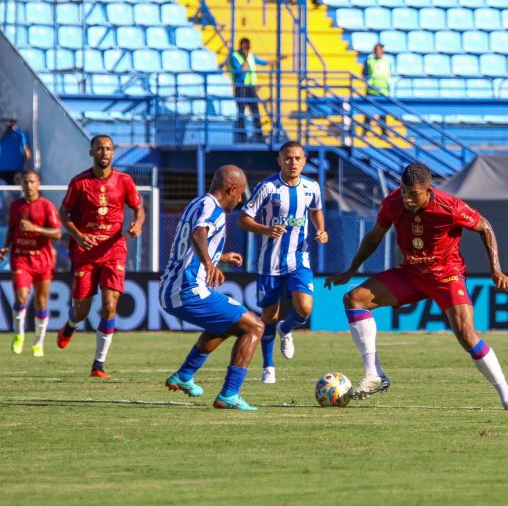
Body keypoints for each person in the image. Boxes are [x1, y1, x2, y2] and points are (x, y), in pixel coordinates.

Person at [325, 162, 508, 411]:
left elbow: (484, 227)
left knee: (466, 335)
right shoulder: (393, 202)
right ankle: (375, 374)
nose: (407, 198)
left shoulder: (449, 206)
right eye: (404, 191)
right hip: (412, 272)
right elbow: (375, 236)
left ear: (428, 190)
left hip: (446, 275)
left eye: (414, 194)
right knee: (354, 298)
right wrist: (351, 270)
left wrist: (495, 268)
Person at [162, 165, 265, 411]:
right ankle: (229, 394)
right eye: (240, 194)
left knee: (228, 324)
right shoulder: (214, 210)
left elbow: (192, 244)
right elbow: (198, 235)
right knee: (255, 327)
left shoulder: (197, 203)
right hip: (187, 289)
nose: (240, 200)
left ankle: (184, 375)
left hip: (174, 285)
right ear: (231, 189)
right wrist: (209, 263)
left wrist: (220, 256)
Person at [237, 141, 328, 384]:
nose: (293, 162)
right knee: (269, 314)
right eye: (288, 158)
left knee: (305, 308)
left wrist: (321, 230)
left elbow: (317, 210)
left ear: (305, 160)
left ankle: (286, 329)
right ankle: (268, 366)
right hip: (270, 262)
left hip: (299, 258)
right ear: (280, 160)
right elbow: (243, 219)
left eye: (298, 158)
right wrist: (266, 229)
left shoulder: (312, 187)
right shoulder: (267, 187)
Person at [56, 135, 145, 378]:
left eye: (107, 149)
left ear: (113, 153)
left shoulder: (124, 181)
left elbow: (138, 208)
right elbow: (64, 212)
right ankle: (71, 324)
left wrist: (137, 224)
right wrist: (77, 235)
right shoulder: (80, 183)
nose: (103, 152)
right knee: (82, 309)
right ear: (91, 153)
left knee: (109, 304)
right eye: (99, 149)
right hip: (86, 251)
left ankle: (98, 364)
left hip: (114, 250)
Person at [0, 170, 61, 356]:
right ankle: (19, 335)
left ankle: (39, 342)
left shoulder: (47, 206)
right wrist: (6, 247)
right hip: (21, 258)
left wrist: (34, 228)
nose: (28, 185)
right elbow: (11, 228)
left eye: (32, 182)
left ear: (38, 184)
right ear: (21, 185)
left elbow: (57, 233)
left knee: (41, 303)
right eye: (25, 182)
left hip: (42, 259)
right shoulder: (15, 207)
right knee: (21, 297)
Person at [229, 38, 283, 143]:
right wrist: (244, 60)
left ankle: (259, 137)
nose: (245, 49)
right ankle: (242, 138)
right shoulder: (235, 56)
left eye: (247, 47)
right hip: (241, 87)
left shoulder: (251, 56)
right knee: (241, 113)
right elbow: (239, 72)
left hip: (251, 88)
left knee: (256, 112)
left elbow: (263, 62)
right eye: (244, 47)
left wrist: (278, 59)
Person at [361, 43, 391, 136]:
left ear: (382, 51)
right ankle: (365, 131)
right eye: (375, 50)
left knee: (382, 113)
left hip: (383, 91)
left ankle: (384, 131)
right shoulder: (369, 61)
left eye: (379, 50)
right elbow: (364, 73)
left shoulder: (387, 61)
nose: (377, 52)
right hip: (371, 90)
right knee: (368, 112)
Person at [0, 119, 32, 185]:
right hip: (2, 170)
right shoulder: (2, 134)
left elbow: (26, 149)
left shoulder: (21, 133)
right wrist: (5, 130)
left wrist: (26, 166)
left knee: (16, 190)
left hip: (17, 170)